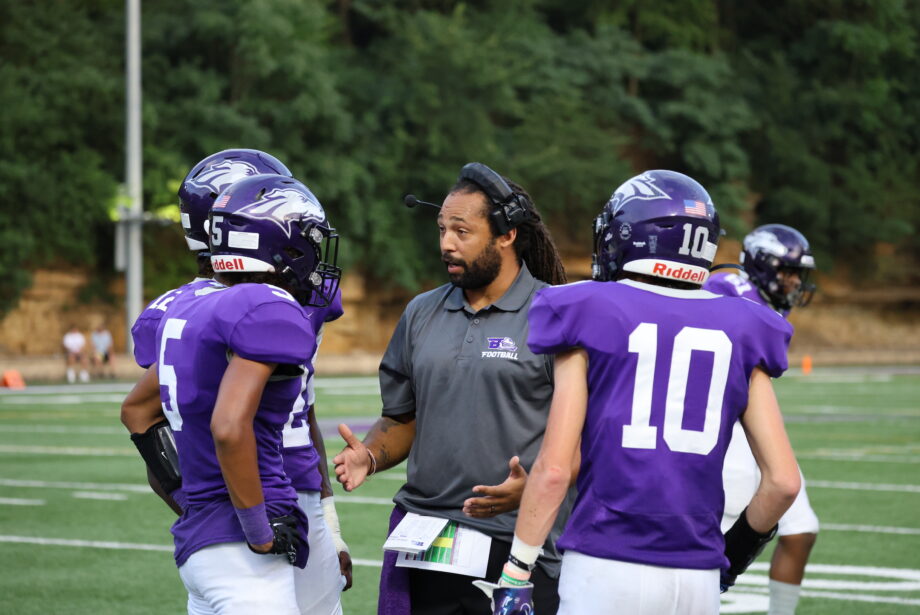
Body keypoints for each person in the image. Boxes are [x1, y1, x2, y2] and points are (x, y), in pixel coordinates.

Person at [478, 170, 802, 615]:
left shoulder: (586, 307)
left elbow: (554, 469)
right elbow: (783, 482)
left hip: (606, 565)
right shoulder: (744, 324)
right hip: (697, 576)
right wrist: (731, 559)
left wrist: (517, 571)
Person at [334, 162, 570, 615]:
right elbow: (404, 418)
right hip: (427, 539)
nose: (446, 243)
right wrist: (370, 454)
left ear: (506, 234)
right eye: (442, 228)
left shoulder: (556, 313)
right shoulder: (421, 312)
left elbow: (589, 435)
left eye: (462, 231)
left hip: (517, 543)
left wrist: (536, 486)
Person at [122, 150, 353, 612]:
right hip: (261, 505)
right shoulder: (269, 305)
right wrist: (252, 527)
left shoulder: (178, 307)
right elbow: (229, 425)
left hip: (241, 514)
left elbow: (144, 415)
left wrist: (195, 506)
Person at [705, 224, 819, 615]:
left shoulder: (757, 298)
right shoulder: (728, 290)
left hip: (754, 423)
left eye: (796, 273)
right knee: (712, 537)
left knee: (801, 531)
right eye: (786, 271)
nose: (793, 281)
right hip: (725, 428)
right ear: (763, 265)